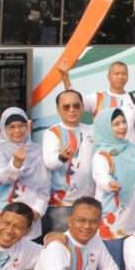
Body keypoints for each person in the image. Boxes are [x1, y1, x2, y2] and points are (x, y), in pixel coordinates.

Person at [0, 108, 50, 242]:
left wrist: (37, 211)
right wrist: (16, 164)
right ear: (3, 129)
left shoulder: (37, 151)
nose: (17, 130)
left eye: (21, 126)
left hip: (30, 219)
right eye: (11, 127)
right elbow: (0, 178)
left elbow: (45, 186)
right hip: (2, 218)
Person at [91, 108, 135, 270]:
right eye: (116, 124)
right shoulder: (101, 154)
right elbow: (101, 176)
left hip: (132, 218)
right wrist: (110, 183)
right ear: (106, 127)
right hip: (111, 219)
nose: (122, 127)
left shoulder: (132, 148)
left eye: (123, 122)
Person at [42, 90, 96, 236]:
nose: (72, 110)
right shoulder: (53, 132)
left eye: (76, 106)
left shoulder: (92, 130)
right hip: (62, 205)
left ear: (82, 107)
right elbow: (49, 162)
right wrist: (62, 157)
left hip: (89, 202)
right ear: (58, 109)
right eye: (66, 107)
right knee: (61, 247)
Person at [62, 62, 135, 146]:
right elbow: (76, 99)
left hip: (129, 154)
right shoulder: (97, 98)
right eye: (116, 73)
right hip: (104, 154)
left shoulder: (134, 99)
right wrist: (66, 78)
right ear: (108, 77)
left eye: (124, 74)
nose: (120, 77)